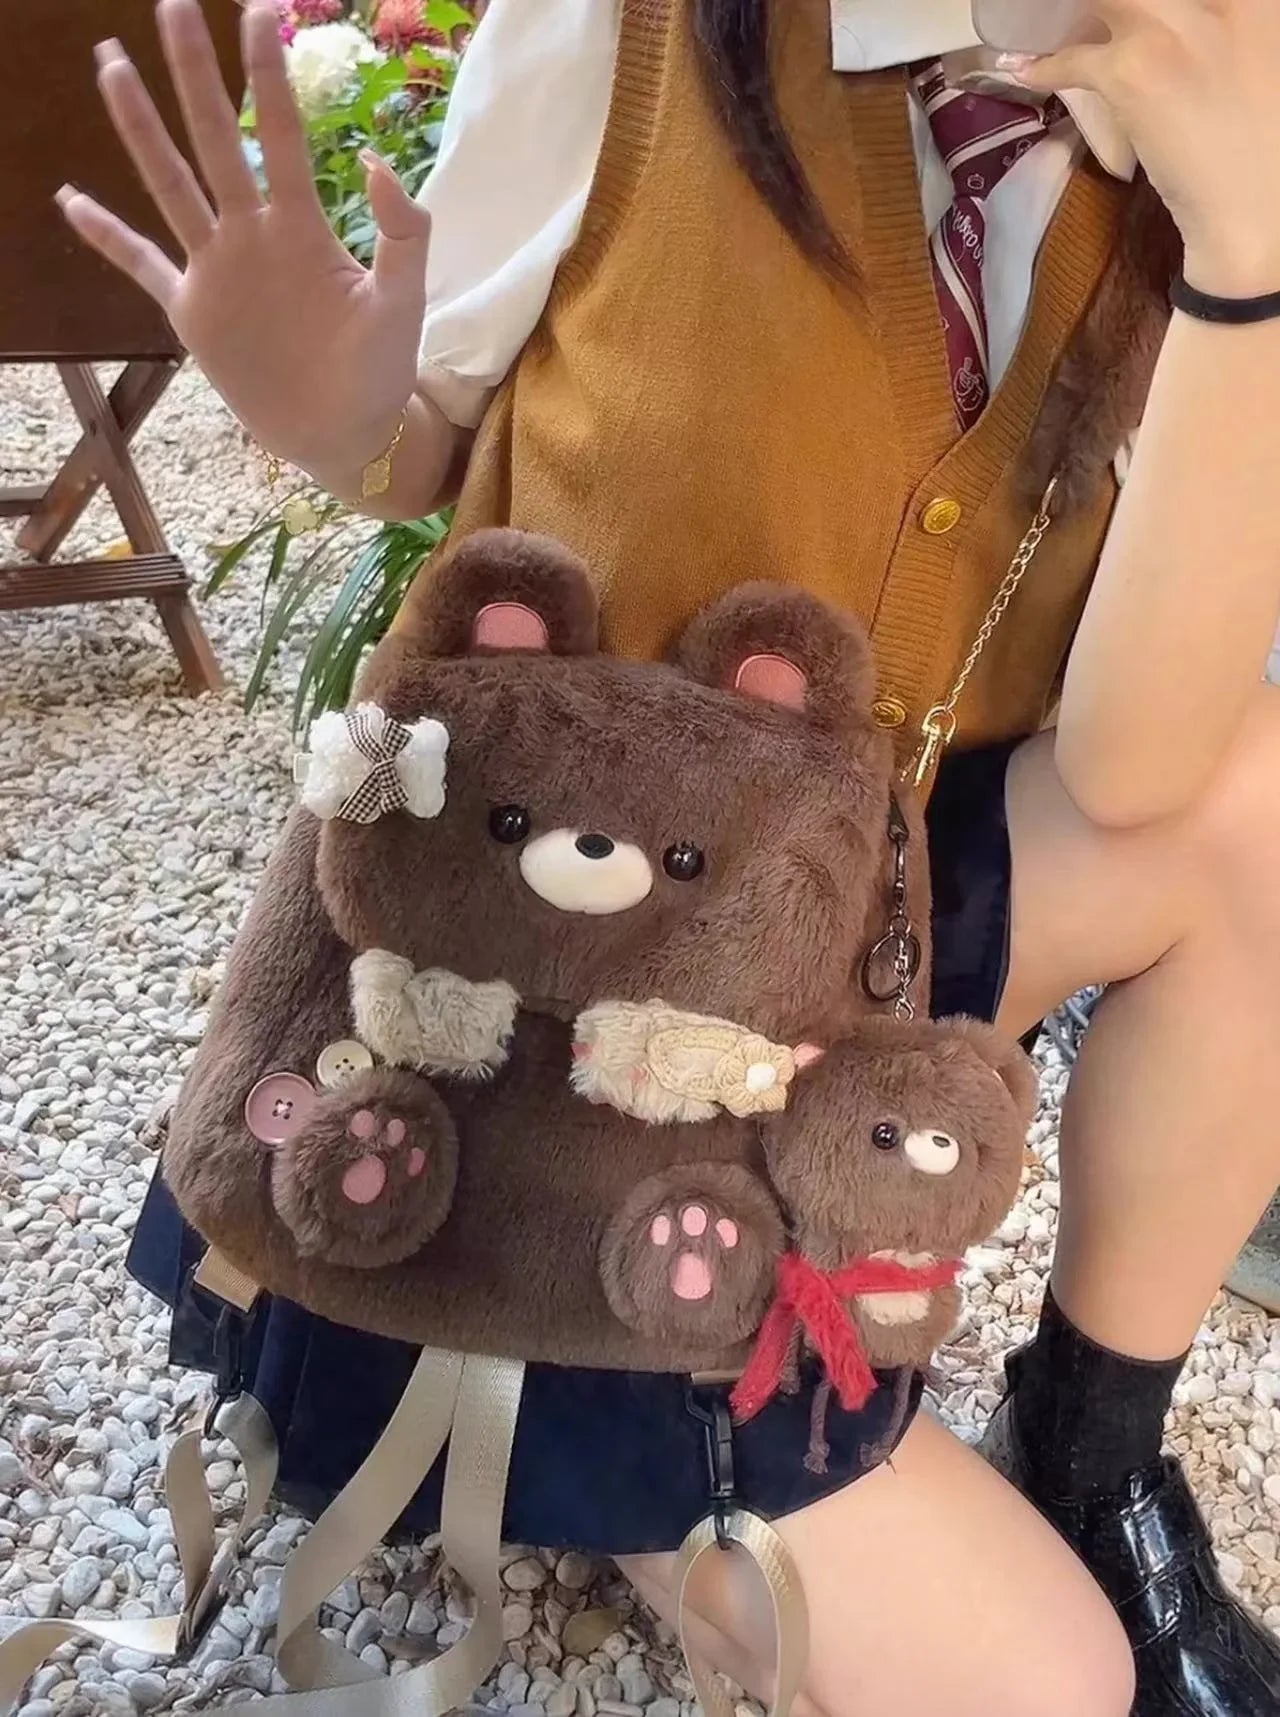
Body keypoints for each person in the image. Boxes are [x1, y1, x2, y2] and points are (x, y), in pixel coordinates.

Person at [62, 0, 1280, 1711]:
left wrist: (1246, 245)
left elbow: (1140, 773)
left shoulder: (1175, 130)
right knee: (1049, 1686)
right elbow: (420, 428)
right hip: (529, 1056)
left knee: (1257, 798)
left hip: (834, 958)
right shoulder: (627, 33)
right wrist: (331, 408)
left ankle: (1093, 1453)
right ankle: (572, 1410)